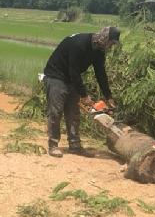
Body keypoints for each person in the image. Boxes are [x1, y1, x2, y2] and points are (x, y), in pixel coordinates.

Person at [41, 26, 120, 157]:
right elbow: (74, 71)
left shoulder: (99, 50)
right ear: (105, 39)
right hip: (56, 75)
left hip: (72, 78)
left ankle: (75, 146)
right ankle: (53, 145)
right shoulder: (80, 44)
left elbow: (100, 73)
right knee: (56, 111)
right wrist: (84, 95)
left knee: (73, 113)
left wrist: (108, 96)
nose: (111, 46)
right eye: (111, 43)